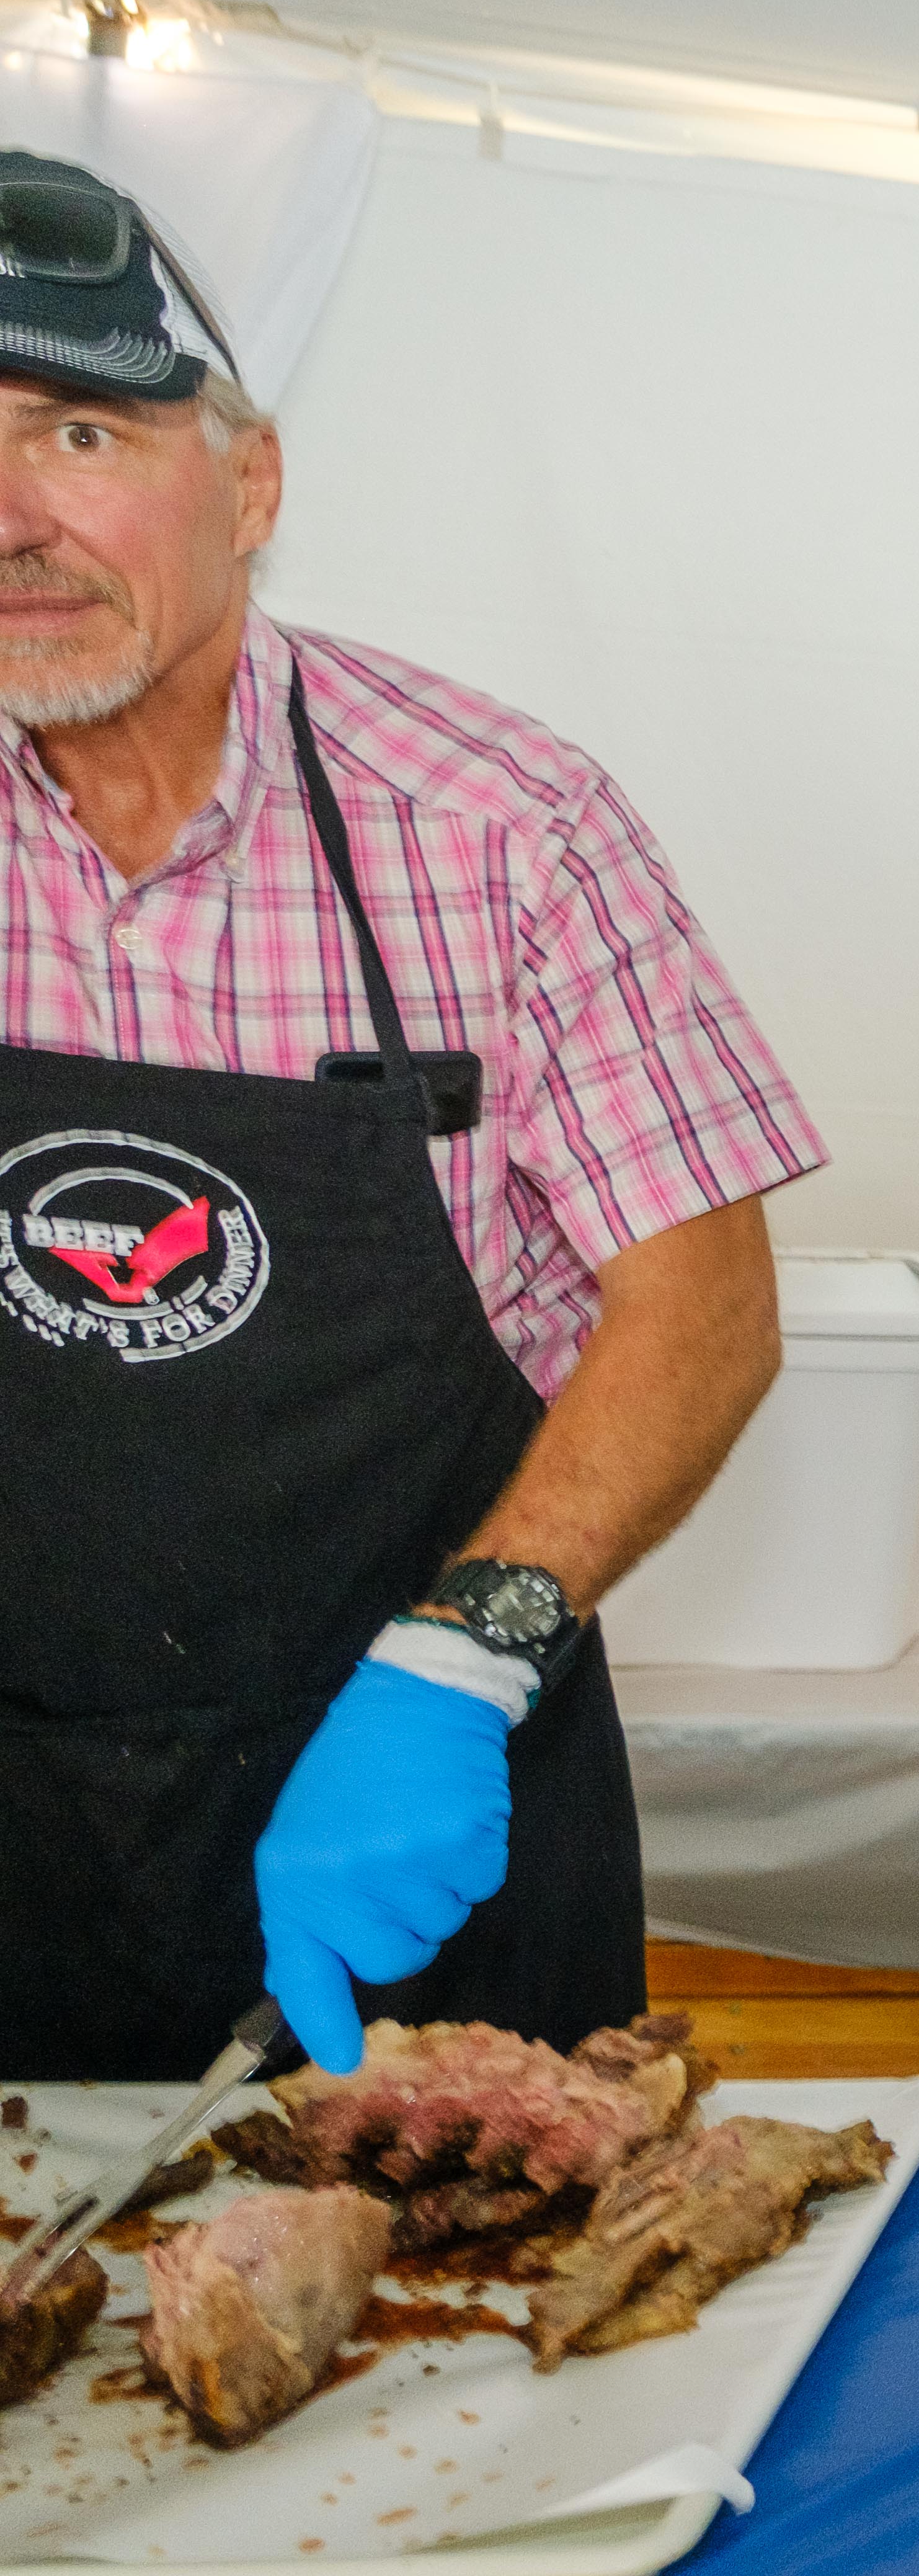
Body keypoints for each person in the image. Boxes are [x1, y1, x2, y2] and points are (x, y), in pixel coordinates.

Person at [0, 154, 820, 2079]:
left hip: (416, 1816)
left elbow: (703, 1313)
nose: (14, 517)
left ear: (252, 481)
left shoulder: (498, 830)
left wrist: (463, 1669)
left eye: (81, 431)